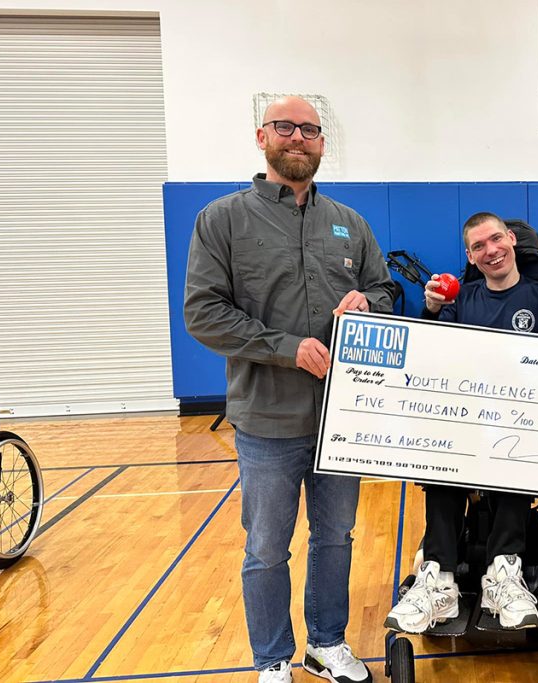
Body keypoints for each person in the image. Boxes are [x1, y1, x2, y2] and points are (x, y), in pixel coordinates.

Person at [185, 96, 395, 683]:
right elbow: (203, 313)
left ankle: (326, 644)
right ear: (262, 137)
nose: (297, 138)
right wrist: (286, 348)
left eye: (309, 130)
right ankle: (272, 659)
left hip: (342, 418)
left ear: (323, 143)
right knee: (266, 547)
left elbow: (384, 293)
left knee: (335, 537)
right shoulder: (222, 219)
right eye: (285, 127)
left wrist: (369, 303)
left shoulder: (350, 224)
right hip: (267, 419)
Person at [384, 212, 538, 633]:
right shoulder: (461, 300)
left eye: (495, 240)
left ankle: (504, 573)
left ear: (511, 239)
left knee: (511, 453)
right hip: (467, 427)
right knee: (440, 459)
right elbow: (430, 357)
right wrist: (432, 310)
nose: (490, 251)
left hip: (522, 427)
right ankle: (439, 578)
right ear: (470, 257)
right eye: (478, 247)